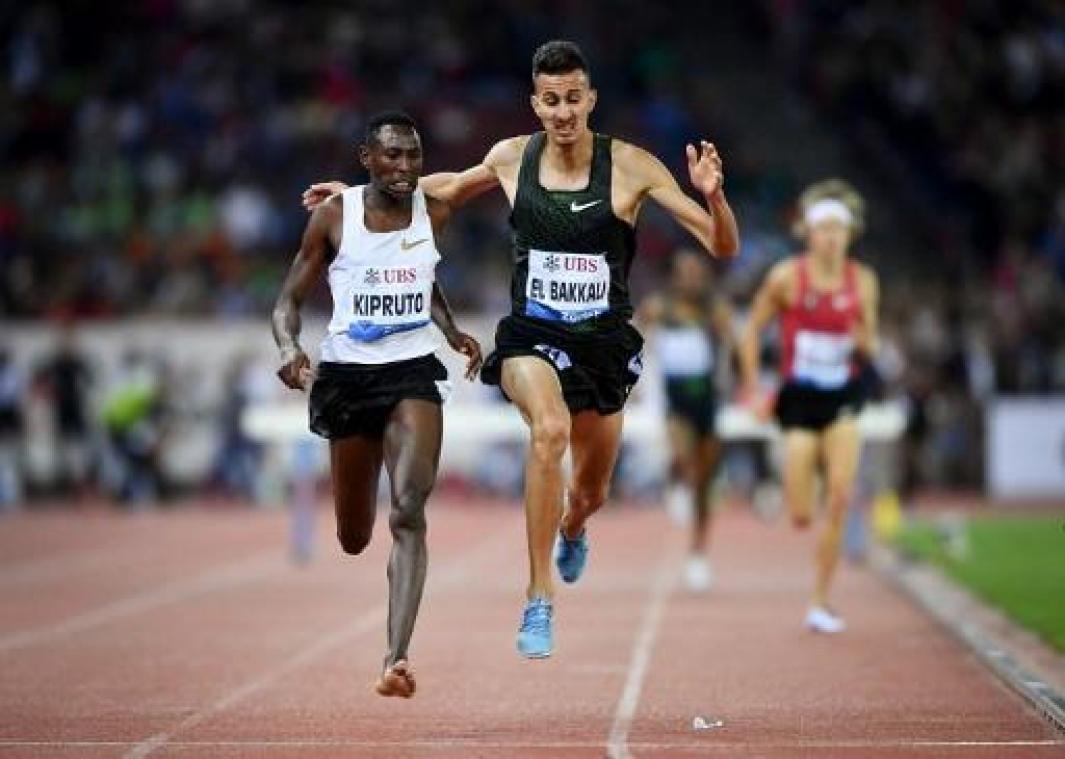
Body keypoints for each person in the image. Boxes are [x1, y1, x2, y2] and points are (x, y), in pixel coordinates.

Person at [303, 40, 739, 658]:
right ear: (536, 103)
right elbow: (444, 188)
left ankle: (572, 524)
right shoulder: (513, 158)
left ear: (590, 99)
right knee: (549, 431)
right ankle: (538, 600)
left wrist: (714, 197)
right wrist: (354, 195)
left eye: (573, 99)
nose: (562, 112)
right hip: (532, 336)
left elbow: (721, 246)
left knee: (591, 490)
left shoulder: (634, 167)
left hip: (603, 346)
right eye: (550, 101)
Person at [273, 111, 483, 697]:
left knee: (409, 511)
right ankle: (358, 542)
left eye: (413, 156)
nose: (405, 167)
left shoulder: (432, 211)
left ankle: (396, 659)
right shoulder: (333, 218)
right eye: (392, 155)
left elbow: (424, 276)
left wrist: (449, 328)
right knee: (354, 536)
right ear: (366, 157)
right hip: (347, 378)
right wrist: (290, 347)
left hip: (413, 372)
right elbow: (287, 300)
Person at [739, 178, 879, 634]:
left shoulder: (863, 281)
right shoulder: (786, 276)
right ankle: (801, 490)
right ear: (809, 233)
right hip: (797, 398)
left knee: (839, 496)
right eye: (824, 229)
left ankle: (820, 600)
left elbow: (870, 344)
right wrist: (752, 392)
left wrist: (861, 342)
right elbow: (751, 332)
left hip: (842, 396)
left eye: (839, 228)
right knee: (801, 514)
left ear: (850, 233)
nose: (832, 236)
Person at [639, 249, 733, 592]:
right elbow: (633, 339)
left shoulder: (715, 311)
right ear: (674, 276)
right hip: (674, 398)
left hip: (707, 399)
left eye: (697, 272)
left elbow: (733, 350)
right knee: (684, 455)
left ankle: (698, 553)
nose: (691, 278)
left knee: (705, 485)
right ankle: (676, 478)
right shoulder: (659, 307)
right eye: (685, 272)